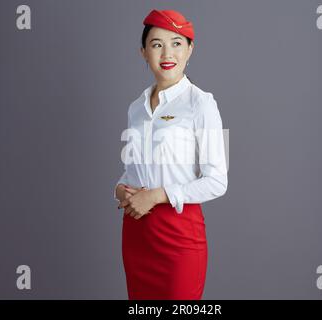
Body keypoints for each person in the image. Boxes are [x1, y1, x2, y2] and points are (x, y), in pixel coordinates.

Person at [114, 9, 228, 300]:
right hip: (137, 233)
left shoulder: (202, 104)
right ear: (143, 52)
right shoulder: (135, 108)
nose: (167, 53)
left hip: (178, 235)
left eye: (177, 43)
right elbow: (132, 171)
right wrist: (119, 189)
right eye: (156, 44)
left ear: (191, 49)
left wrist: (156, 195)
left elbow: (217, 181)